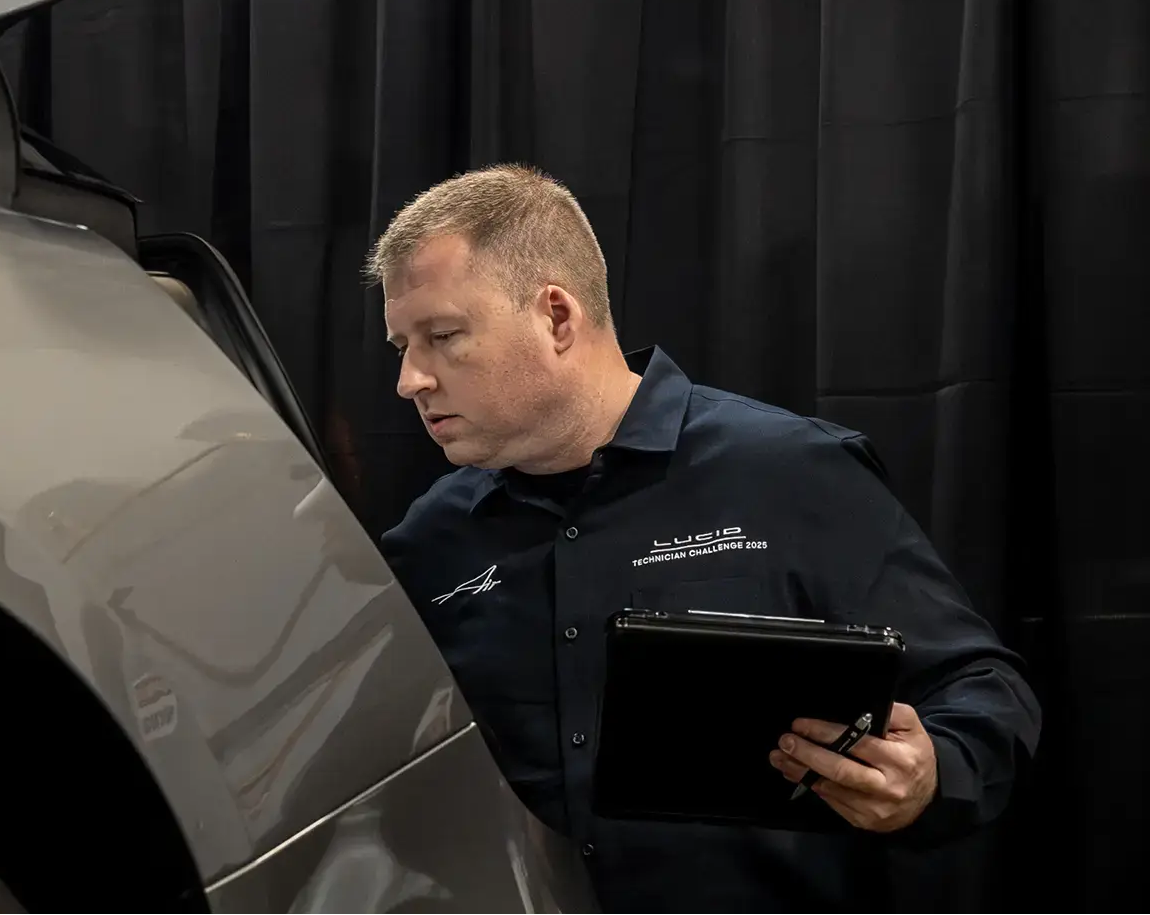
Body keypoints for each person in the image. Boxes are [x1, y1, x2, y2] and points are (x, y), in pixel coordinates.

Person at [366, 163, 1042, 914]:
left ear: (557, 317)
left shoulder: (791, 474)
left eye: (442, 337)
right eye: (403, 345)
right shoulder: (428, 542)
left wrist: (930, 774)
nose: (411, 379)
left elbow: (983, 691)